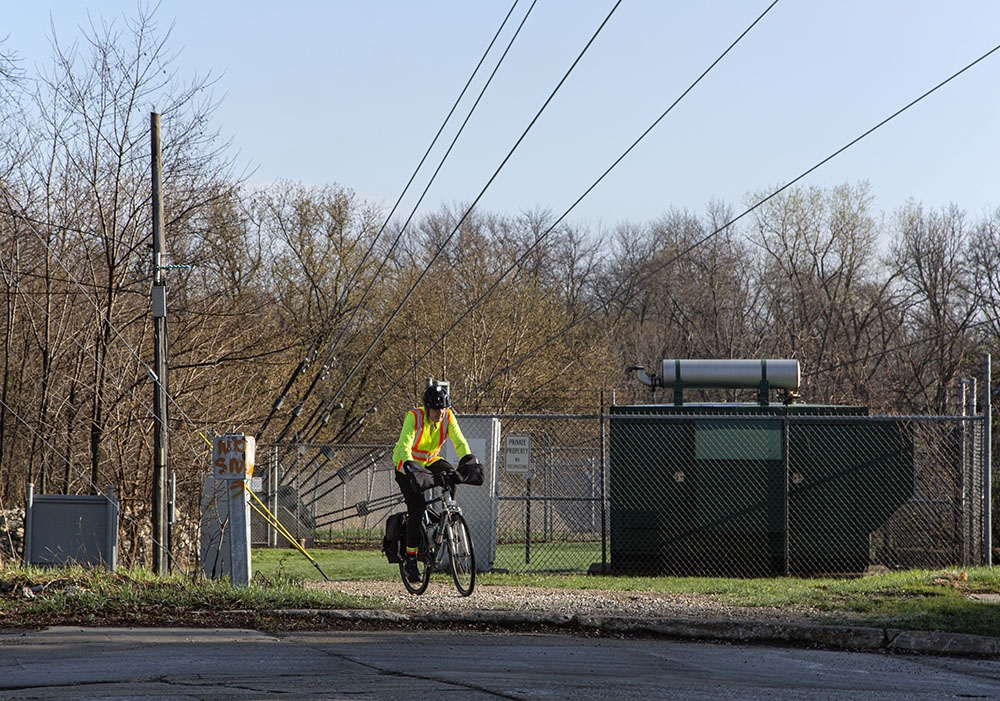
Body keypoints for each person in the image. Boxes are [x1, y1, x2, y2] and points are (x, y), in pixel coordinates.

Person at [393, 379, 477, 583]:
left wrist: (469, 460)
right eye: (436, 409)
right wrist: (410, 467)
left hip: (431, 460)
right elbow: (404, 445)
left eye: (443, 409)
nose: (440, 413)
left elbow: (459, 441)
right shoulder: (415, 417)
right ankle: (411, 559)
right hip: (407, 465)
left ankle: (446, 517)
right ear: (427, 407)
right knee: (417, 509)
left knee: (451, 474)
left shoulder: (448, 417)